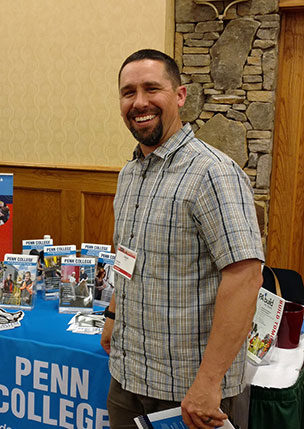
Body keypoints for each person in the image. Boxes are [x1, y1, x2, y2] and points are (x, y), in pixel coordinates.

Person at [100, 49, 264, 429]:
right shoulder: (130, 174)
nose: (139, 102)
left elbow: (245, 279)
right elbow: (128, 255)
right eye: (128, 92)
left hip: (190, 392)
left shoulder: (213, 173)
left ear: (180, 95)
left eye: (151, 89)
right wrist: (112, 314)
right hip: (128, 377)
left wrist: (209, 384)